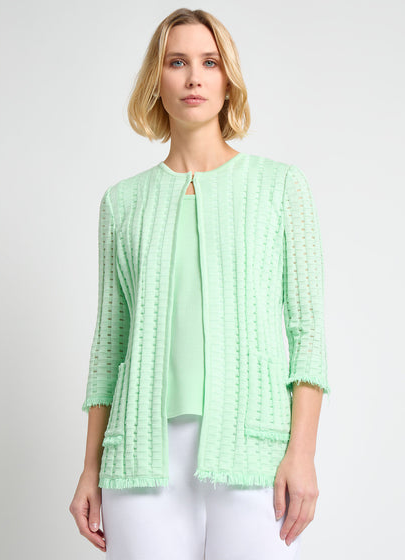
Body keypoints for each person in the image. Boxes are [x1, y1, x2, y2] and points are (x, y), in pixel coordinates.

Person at [69, 8, 330, 560]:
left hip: (255, 455)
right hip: (140, 462)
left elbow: (308, 332)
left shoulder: (279, 187)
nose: (194, 78)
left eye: (210, 63)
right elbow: (109, 346)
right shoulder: (121, 204)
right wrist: (90, 468)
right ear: (156, 81)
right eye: (177, 62)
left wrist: (302, 453)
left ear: (228, 80)